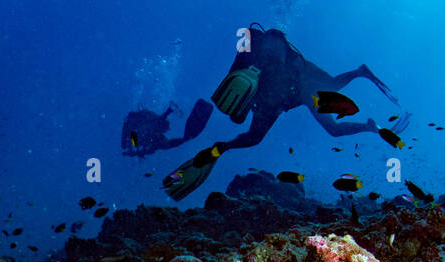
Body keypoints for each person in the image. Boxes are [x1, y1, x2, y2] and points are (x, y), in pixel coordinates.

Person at [164, 23, 408, 200]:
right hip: (270, 104)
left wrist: (356, 74)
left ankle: (365, 107)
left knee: (333, 128)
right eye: (268, 49)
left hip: (301, 93)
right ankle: (221, 148)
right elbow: (234, 84)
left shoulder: (298, 65)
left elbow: (332, 83)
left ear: (284, 47)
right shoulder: (252, 60)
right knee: (253, 137)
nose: (272, 54)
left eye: (277, 49)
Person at [122, 99, 213, 158]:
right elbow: (167, 144)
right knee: (155, 128)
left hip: (142, 127)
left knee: (154, 126)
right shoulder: (153, 139)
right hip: (141, 129)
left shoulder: (153, 137)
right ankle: (168, 111)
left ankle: (168, 112)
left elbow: (167, 144)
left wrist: (184, 139)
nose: (168, 128)